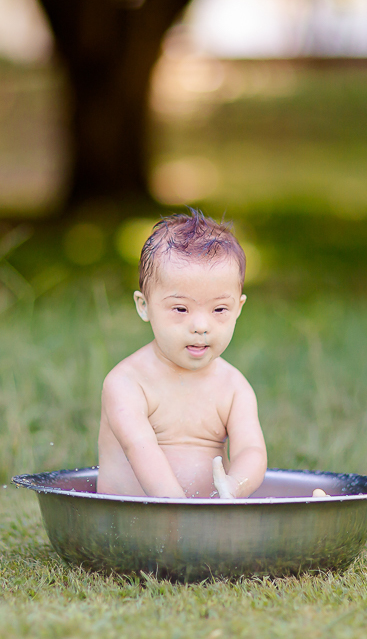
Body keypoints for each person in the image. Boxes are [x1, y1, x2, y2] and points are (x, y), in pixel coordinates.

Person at [96, 210, 266, 499]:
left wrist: (234, 486)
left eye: (219, 310)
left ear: (238, 307)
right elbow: (140, 447)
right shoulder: (127, 382)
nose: (200, 326)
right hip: (130, 524)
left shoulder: (234, 387)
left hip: (207, 526)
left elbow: (251, 450)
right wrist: (178, 508)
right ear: (144, 306)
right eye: (180, 309)